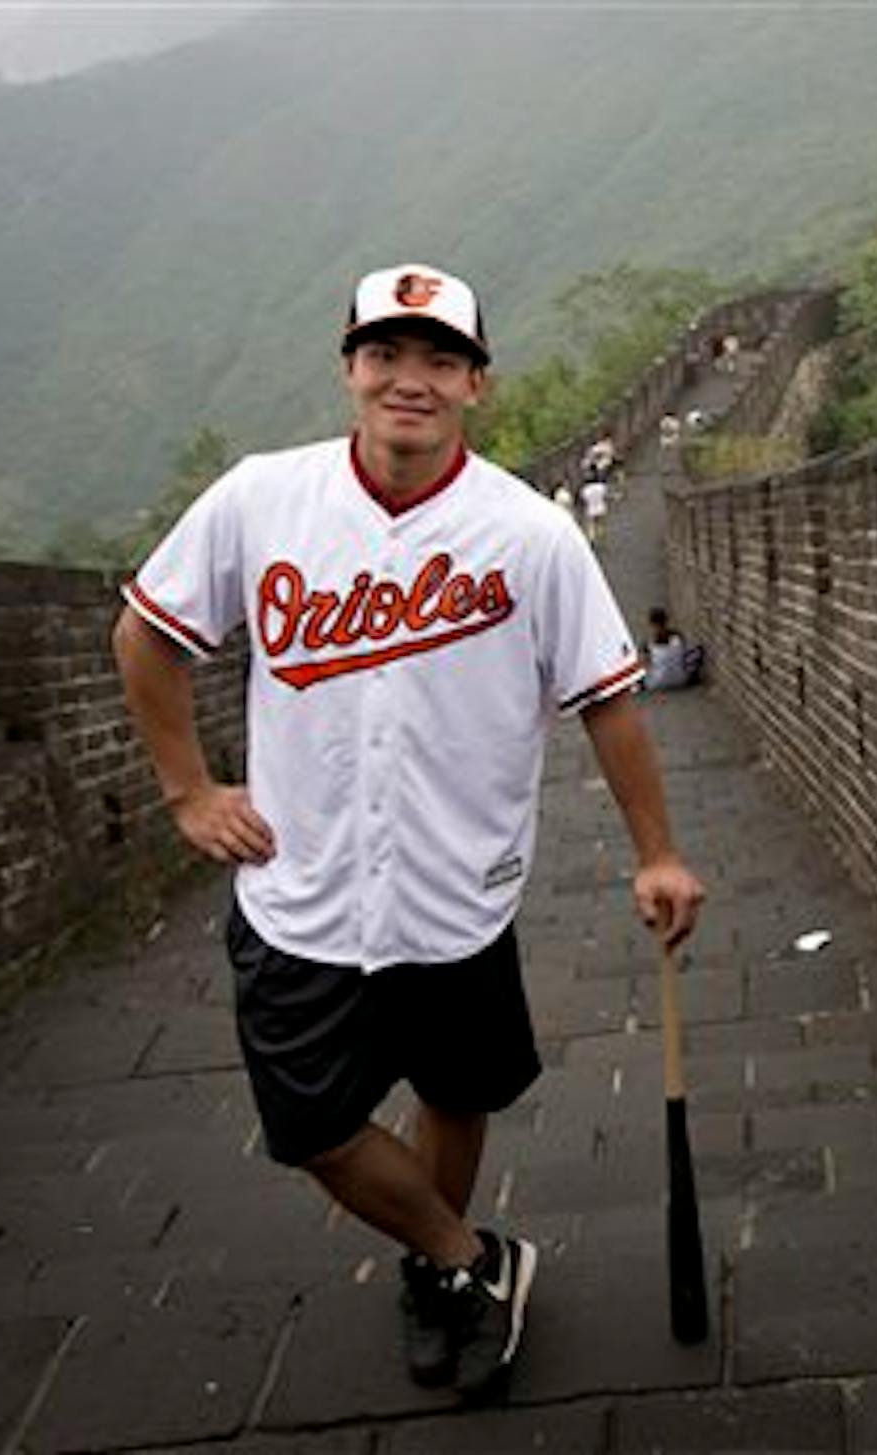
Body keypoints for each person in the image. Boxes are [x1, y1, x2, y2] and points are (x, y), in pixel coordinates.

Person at [110, 262, 706, 1402]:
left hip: (457, 888)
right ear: (349, 369)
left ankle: (436, 1280)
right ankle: (473, 1258)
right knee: (311, 1122)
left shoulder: (528, 536)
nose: (410, 381)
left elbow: (609, 702)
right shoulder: (258, 502)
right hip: (300, 889)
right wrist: (189, 791)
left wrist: (659, 852)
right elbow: (146, 636)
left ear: (476, 385)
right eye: (386, 355)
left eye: (440, 360)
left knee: (452, 1093)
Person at [643, 607, 706, 691]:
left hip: (656, 684)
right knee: (696, 651)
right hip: (681, 680)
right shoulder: (677, 636)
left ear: (651, 624)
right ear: (666, 621)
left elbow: (647, 662)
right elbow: (684, 654)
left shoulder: (648, 643)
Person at [579, 473, 609, 546]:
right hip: (601, 508)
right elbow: (605, 495)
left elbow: (583, 499)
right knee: (600, 524)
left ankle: (592, 539)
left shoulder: (585, 490)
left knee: (591, 526)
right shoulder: (601, 487)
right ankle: (601, 536)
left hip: (591, 509)